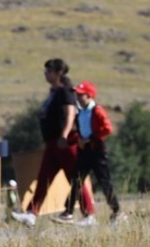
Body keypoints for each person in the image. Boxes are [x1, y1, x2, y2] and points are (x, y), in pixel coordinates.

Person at [12, 58, 94, 226]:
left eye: (48, 71)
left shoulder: (65, 92)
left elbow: (70, 114)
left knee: (75, 178)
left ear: (58, 73)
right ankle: (31, 212)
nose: (46, 74)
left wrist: (64, 135)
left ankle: (89, 214)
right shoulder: (54, 93)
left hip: (65, 143)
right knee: (44, 178)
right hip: (53, 144)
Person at [62, 81, 122, 224]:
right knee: (76, 179)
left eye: (81, 95)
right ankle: (68, 211)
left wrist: (90, 138)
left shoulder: (97, 111)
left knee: (104, 181)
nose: (78, 97)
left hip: (96, 149)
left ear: (89, 96)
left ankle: (116, 211)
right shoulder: (80, 112)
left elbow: (107, 129)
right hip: (84, 150)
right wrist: (79, 139)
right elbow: (78, 129)